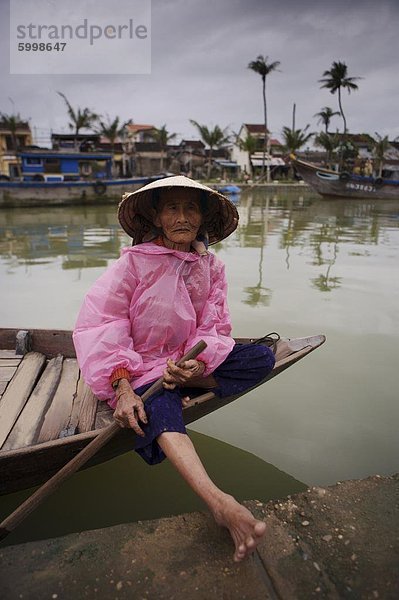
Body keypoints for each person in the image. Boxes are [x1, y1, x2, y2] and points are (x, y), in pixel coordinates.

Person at [73, 175, 276, 562]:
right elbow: (102, 325)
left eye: (191, 208)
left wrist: (195, 364)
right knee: (161, 406)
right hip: (137, 368)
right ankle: (219, 501)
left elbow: (215, 328)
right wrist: (123, 388)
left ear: (203, 217)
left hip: (186, 363)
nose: (182, 217)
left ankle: (186, 383)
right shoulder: (132, 264)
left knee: (262, 357)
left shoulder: (211, 268)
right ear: (156, 215)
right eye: (172, 207)